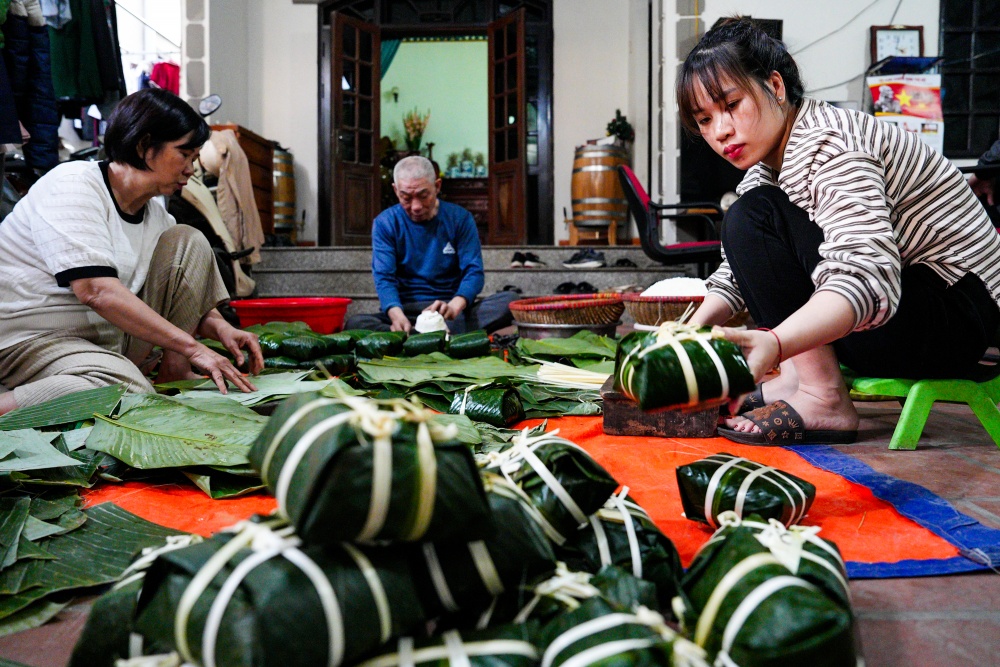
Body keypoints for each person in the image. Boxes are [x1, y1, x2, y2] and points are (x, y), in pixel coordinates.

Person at [677, 17, 1000, 445]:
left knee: (750, 218)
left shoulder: (831, 143)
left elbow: (868, 276)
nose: (720, 131)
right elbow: (739, 271)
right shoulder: (766, 168)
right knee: (749, 218)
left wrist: (774, 343)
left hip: (955, 322)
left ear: (775, 86)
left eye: (732, 105)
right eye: (704, 119)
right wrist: (687, 334)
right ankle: (800, 380)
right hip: (908, 311)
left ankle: (822, 394)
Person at [0, 88, 263, 416]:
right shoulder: (73, 185)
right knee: (125, 391)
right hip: (33, 340)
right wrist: (192, 346)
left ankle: (175, 371)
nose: (190, 170)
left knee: (188, 241)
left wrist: (222, 328)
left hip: (104, 339)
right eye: (184, 155)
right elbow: (96, 291)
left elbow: (181, 286)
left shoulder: (155, 213)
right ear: (143, 146)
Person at [344, 155, 518, 334]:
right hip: (406, 313)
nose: (416, 206)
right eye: (406, 197)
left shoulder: (460, 218)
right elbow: (384, 278)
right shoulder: (385, 223)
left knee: (510, 301)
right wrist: (396, 315)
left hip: (448, 312)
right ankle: (424, 335)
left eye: (423, 195)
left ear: (437, 186)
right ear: (396, 190)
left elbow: (473, 272)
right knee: (355, 323)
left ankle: (417, 339)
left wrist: (454, 306)